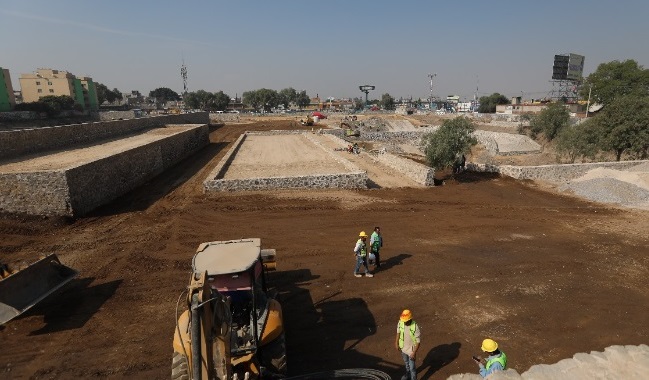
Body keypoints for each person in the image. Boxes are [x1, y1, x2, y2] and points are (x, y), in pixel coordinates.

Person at [395, 309, 420, 380]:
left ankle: (413, 378)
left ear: (410, 319)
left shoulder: (415, 327)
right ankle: (408, 374)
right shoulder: (400, 322)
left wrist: (414, 352)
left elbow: (418, 342)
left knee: (412, 368)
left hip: (411, 351)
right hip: (403, 348)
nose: (404, 322)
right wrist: (396, 343)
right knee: (406, 364)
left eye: (405, 321)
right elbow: (398, 333)